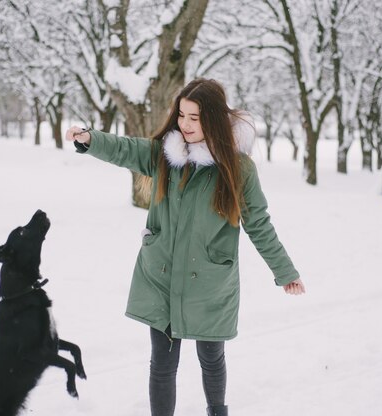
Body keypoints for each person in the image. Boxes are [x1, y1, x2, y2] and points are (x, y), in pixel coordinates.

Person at [65, 78, 305, 416]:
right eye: (182, 115)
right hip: (160, 275)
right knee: (162, 363)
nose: (186, 125)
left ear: (214, 119)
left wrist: (285, 271)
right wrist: (90, 139)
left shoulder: (238, 170)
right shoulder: (166, 155)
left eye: (195, 117)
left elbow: (259, 224)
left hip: (209, 281)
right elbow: (124, 148)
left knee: (211, 358)